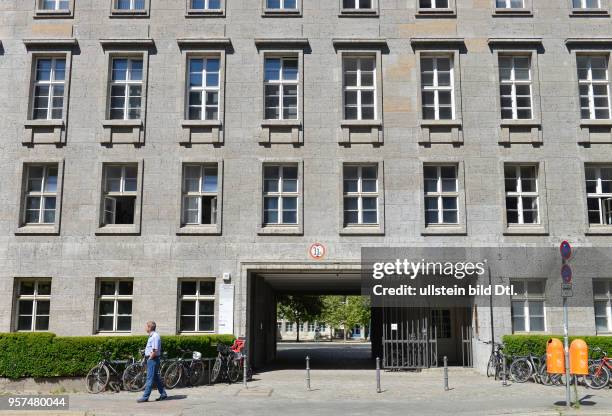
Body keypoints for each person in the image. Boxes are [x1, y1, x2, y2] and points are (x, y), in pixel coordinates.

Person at [137, 321, 168, 403]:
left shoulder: (155, 336)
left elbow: (155, 350)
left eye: (146, 326)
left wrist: (150, 358)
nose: (145, 328)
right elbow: (151, 348)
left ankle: (145, 397)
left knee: (149, 378)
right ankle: (163, 394)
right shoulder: (152, 336)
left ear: (149, 327)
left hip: (153, 359)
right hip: (152, 359)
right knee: (155, 378)